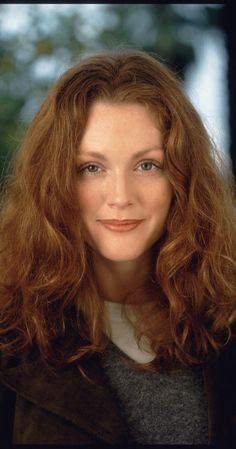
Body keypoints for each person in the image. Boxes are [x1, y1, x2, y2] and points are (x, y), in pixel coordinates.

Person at [0, 48, 235, 445]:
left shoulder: (224, 324)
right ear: (54, 183)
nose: (121, 196)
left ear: (183, 179)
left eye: (148, 165)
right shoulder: (11, 335)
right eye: (92, 168)